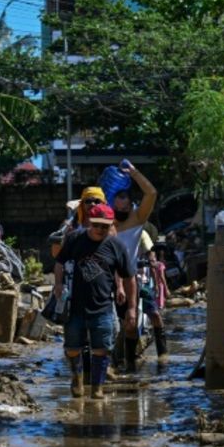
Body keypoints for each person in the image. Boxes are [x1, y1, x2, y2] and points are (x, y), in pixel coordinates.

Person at [53, 204, 135, 399]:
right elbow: (59, 262)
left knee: (102, 350)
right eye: (97, 225)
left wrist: (132, 308)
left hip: (103, 306)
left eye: (105, 226)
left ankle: (97, 388)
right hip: (74, 306)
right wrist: (57, 283)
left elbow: (129, 277)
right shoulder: (75, 239)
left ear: (111, 225)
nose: (100, 229)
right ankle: (77, 379)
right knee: (72, 348)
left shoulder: (117, 246)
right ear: (90, 221)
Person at [108, 161, 163, 366]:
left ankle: (129, 365)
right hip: (105, 278)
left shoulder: (137, 218)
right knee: (107, 326)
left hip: (129, 276)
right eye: (116, 204)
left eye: (125, 204)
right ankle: (108, 365)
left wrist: (134, 173)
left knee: (131, 323)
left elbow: (151, 193)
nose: (120, 210)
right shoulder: (104, 221)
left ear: (131, 204)